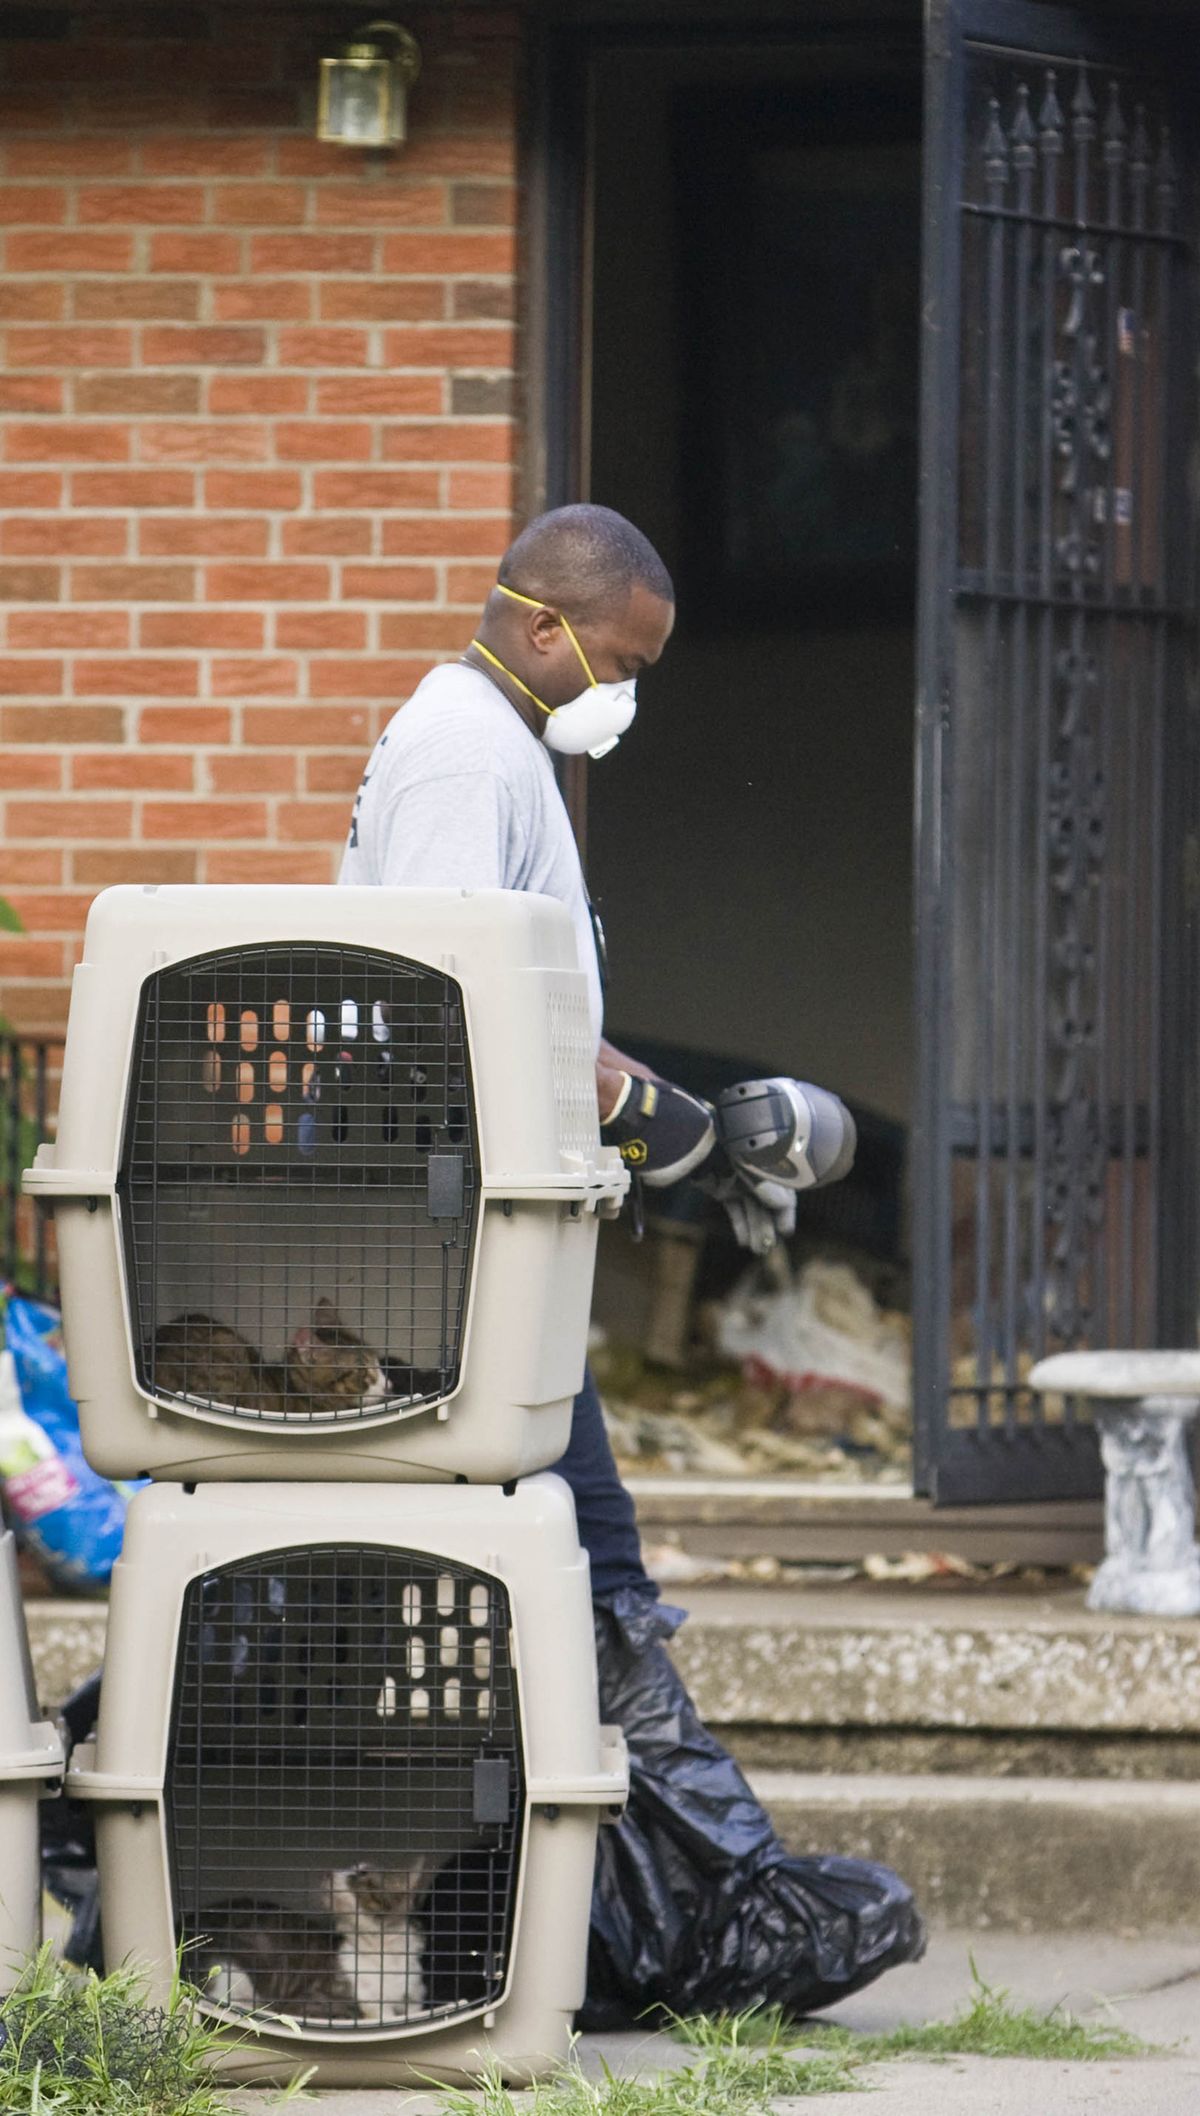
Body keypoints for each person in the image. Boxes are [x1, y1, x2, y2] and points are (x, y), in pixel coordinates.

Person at [339, 501, 924, 2020]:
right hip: (445, 1258)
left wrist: (662, 1132)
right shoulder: (469, 754)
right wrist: (670, 1124)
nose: (631, 693)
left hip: (479, 1248)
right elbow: (446, 997)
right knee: (586, 1571)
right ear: (545, 626)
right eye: (623, 659)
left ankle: (636, 1916)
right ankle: (716, 1913)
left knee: (562, 1580)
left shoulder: (498, 745)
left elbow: (517, 998)